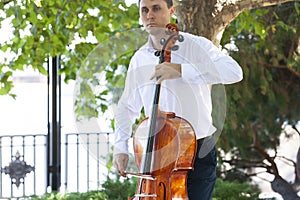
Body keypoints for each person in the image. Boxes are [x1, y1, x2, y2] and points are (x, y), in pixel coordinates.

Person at [112, 0, 243, 199]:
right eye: (144, 10)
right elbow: (127, 106)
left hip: (196, 150)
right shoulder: (139, 58)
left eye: (156, 8)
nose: (150, 15)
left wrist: (181, 70)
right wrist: (120, 147)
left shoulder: (196, 45)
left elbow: (234, 72)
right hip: (157, 151)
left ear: (171, 11)